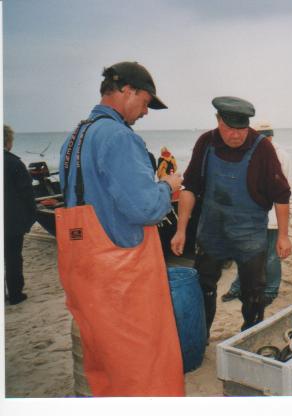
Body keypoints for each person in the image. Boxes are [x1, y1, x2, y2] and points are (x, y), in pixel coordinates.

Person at [57, 61, 184, 396]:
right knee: (142, 363)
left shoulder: (73, 139)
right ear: (127, 91)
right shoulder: (119, 137)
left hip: (82, 268)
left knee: (103, 362)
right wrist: (168, 185)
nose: (145, 112)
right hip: (121, 275)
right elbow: (146, 208)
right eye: (145, 102)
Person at [171, 97, 292, 336]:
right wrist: (181, 230)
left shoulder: (263, 148)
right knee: (203, 285)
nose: (236, 135)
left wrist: (284, 236)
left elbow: (281, 195)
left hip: (249, 233)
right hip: (211, 230)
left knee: (253, 291)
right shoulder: (206, 143)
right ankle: (201, 334)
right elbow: (190, 188)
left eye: (242, 129)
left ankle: (250, 334)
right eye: (229, 129)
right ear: (218, 121)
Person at [221, 121, 292, 304]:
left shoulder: (282, 156)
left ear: (271, 136)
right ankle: (238, 287)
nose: (264, 140)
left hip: (272, 217)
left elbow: (290, 188)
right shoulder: (247, 154)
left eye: (267, 137)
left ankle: (271, 290)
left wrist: (287, 220)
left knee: (271, 255)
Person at [4, 124, 36, 305]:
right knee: (13, 256)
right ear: (8, 141)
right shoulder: (14, 163)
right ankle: (15, 293)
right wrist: (30, 217)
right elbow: (27, 194)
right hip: (11, 222)